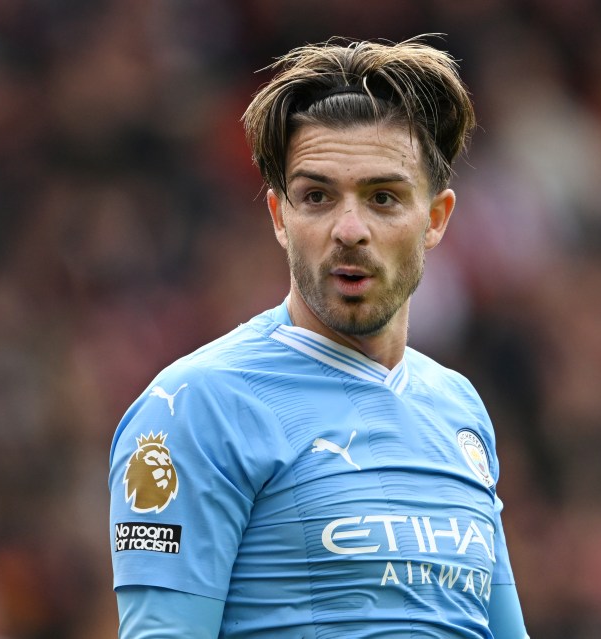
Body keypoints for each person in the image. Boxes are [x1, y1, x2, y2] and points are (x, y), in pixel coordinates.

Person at [109, 36, 530, 638]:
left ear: (435, 219)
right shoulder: (195, 407)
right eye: (317, 197)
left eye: (383, 198)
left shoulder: (458, 408)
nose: (349, 229)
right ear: (281, 217)